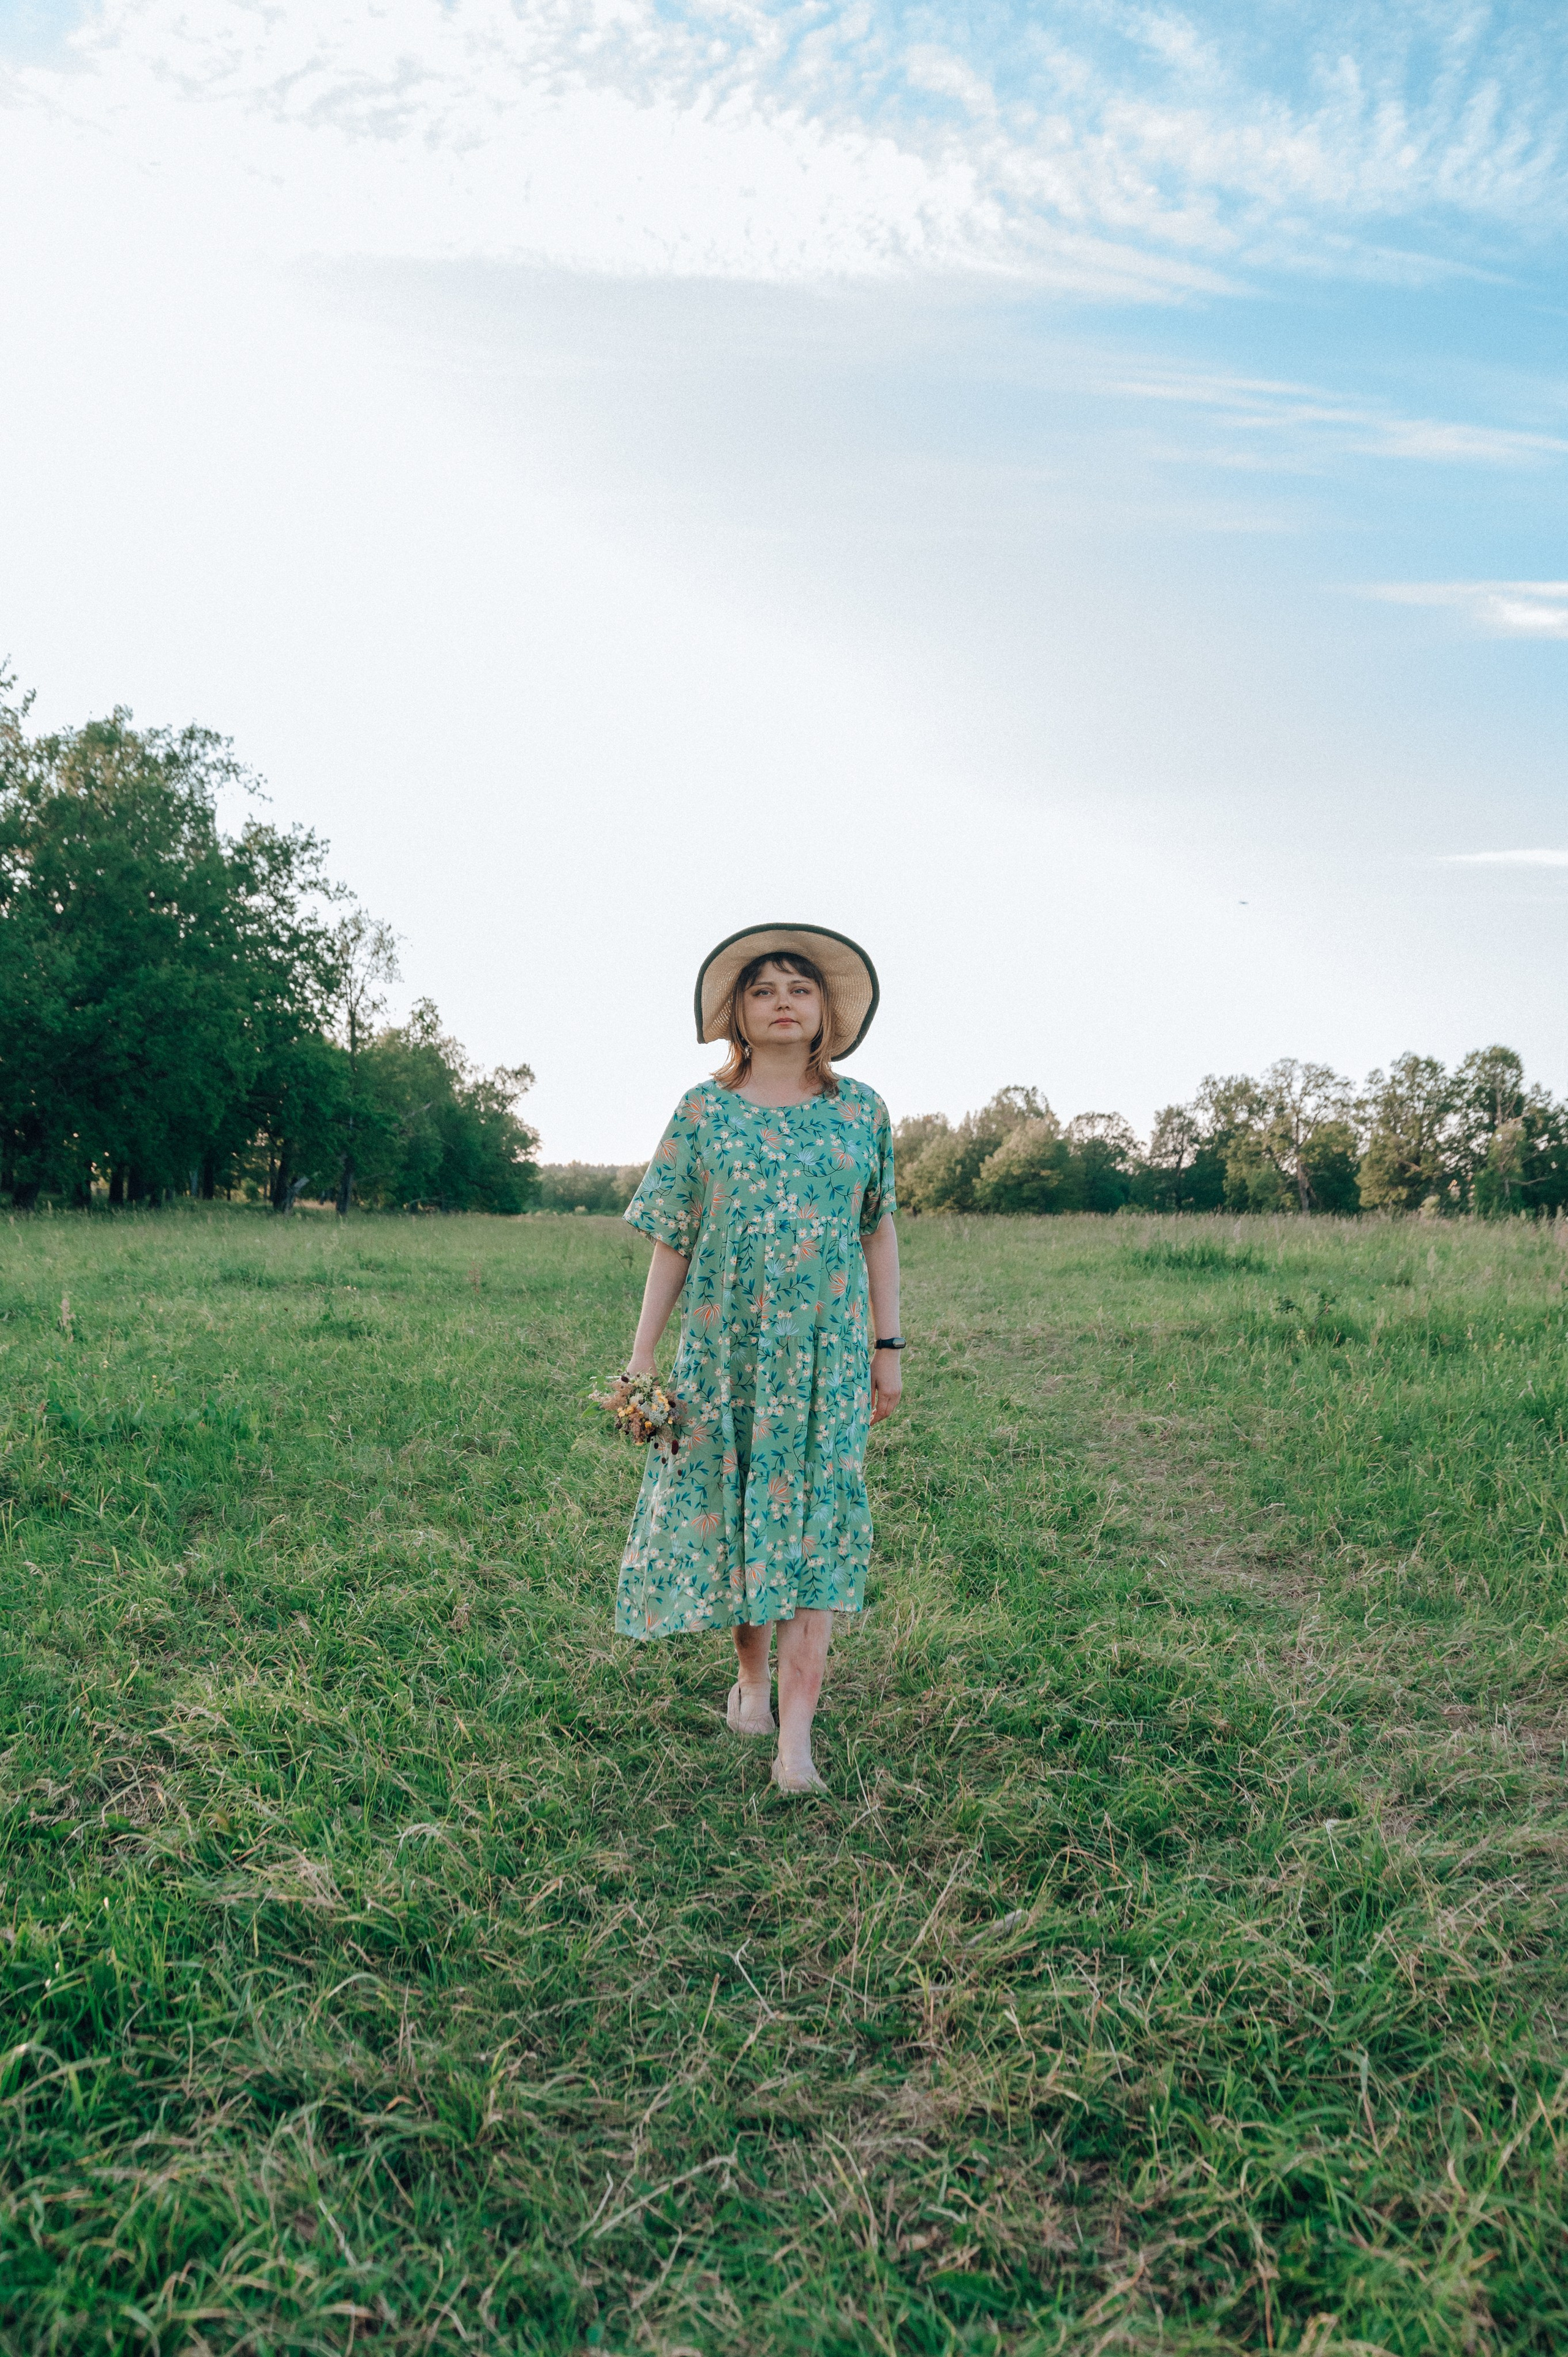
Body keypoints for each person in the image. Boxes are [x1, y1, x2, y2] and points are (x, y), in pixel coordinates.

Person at [616, 923, 904, 1794]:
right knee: (743, 1522)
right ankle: (749, 1680)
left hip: (826, 1359)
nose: (784, 1001)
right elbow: (673, 1236)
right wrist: (640, 1360)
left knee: (814, 1532)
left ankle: (797, 1746)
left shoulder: (863, 1112)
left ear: (826, 1015)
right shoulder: (702, 1112)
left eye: (801, 989)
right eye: (765, 990)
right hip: (725, 1352)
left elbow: (879, 1227)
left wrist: (888, 1348)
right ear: (738, 1013)